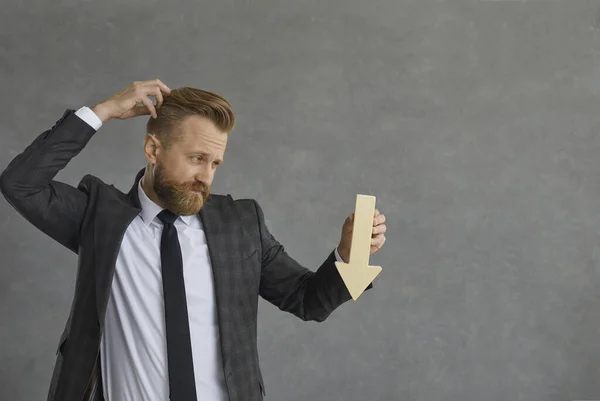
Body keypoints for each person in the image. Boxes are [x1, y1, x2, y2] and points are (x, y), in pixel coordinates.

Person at [0, 79, 387, 401]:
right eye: (197, 158)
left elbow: (307, 300)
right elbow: (20, 184)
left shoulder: (240, 224)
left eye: (215, 163)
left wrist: (350, 258)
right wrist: (103, 111)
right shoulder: (100, 217)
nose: (206, 176)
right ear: (153, 149)